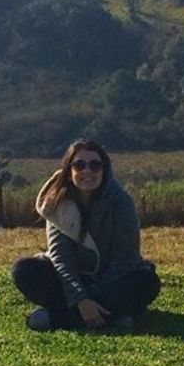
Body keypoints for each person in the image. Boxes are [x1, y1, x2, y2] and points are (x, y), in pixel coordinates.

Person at [11, 139, 161, 331]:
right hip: (75, 277)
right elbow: (61, 260)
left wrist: (91, 296)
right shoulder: (57, 203)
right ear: (69, 170)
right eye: (79, 165)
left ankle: (56, 319)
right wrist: (81, 299)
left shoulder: (121, 202)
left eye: (95, 165)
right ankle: (115, 317)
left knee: (146, 282)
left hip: (112, 279)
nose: (87, 171)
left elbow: (126, 257)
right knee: (24, 270)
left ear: (104, 170)